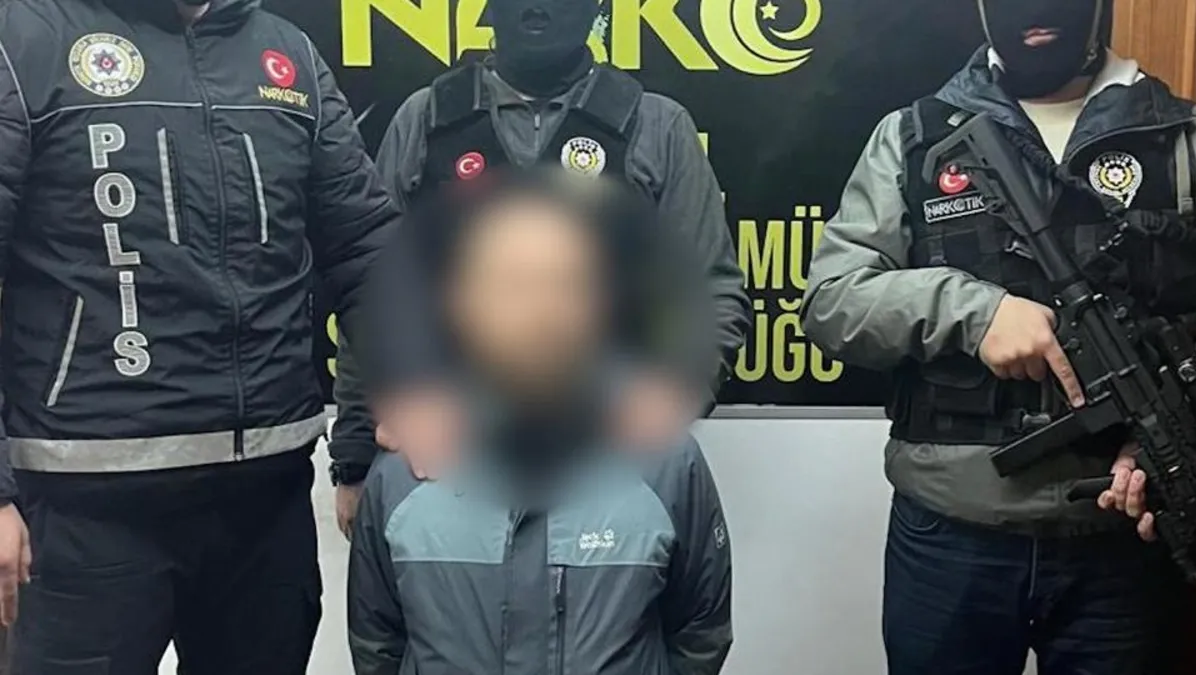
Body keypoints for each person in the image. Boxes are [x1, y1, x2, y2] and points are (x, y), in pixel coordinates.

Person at [0, 0, 401, 672]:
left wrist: (413, 383)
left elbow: (366, 245)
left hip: (264, 505)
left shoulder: (288, 53)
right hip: (82, 512)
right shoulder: (25, 38)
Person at [801, 0, 1196, 673]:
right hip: (951, 534)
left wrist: (1167, 431)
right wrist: (973, 312)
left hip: (1125, 542)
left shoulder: (1179, 137)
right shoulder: (915, 137)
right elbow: (832, 302)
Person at [327, 0, 750, 537]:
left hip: (607, 463)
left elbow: (711, 295)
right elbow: (376, 296)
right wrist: (355, 457)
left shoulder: (655, 126)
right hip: (446, 461)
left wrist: (671, 395)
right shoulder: (428, 121)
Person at [348, 168, 732, 675]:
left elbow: (699, 631)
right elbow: (378, 642)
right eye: (513, 285)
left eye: (565, 283)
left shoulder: (665, 462)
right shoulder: (407, 467)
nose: (541, 312)